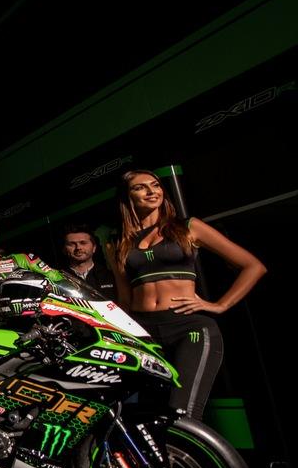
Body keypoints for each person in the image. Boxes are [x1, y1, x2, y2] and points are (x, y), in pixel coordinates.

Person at [114, 169, 266, 419]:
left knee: (181, 412)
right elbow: (124, 299)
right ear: (127, 196)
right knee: (146, 417)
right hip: (144, 332)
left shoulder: (187, 227)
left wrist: (220, 305)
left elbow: (253, 266)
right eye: (140, 187)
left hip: (187, 327)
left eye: (155, 185)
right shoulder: (119, 242)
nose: (152, 192)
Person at [60, 224, 117, 300]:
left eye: (83, 243)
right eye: (72, 244)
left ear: (94, 248)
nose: (78, 247)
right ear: (64, 249)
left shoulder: (111, 276)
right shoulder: (59, 279)